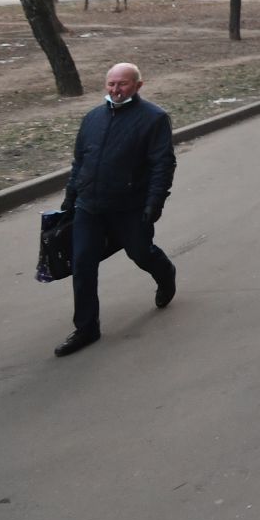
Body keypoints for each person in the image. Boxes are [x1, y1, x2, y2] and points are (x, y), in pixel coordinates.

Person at [52, 63, 177, 357]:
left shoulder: (154, 118)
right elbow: (79, 161)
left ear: (138, 85)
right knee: (82, 263)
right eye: (110, 84)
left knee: (140, 253)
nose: (115, 90)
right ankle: (86, 328)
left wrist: (153, 203)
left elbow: (163, 164)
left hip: (130, 206)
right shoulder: (92, 118)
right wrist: (71, 197)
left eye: (122, 84)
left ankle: (165, 274)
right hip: (89, 205)